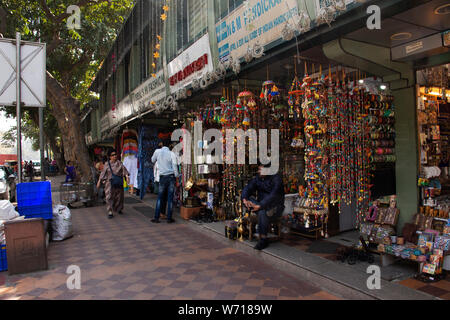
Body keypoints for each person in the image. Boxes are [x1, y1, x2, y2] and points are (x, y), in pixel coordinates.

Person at [242, 163, 285, 250]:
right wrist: (244, 199)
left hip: (275, 206)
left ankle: (263, 239)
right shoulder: (258, 178)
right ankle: (263, 238)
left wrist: (261, 205)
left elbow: (273, 195)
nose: (258, 171)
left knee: (262, 211)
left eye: (260, 170)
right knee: (251, 200)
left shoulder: (277, 179)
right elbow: (248, 188)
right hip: (260, 205)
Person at [151, 140, 179, 223]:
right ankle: (169, 218)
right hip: (171, 177)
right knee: (170, 198)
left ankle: (156, 218)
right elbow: (175, 168)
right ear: (170, 145)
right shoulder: (172, 154)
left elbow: (152, 160)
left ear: (161, 144)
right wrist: (177, 176)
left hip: (162, 177)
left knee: (159, 197)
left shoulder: (157, 152)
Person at [97, 151, 130, 219]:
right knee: (109, 196)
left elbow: (124, 170)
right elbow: (103, 173)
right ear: (110, 156)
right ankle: (110, 211)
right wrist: (99, 181)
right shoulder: (107, 164)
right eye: (113, 155)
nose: (115, 156)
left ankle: (119, 208)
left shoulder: (119, 163)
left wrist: (127, 177)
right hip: (109, 183)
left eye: (115, 154)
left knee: (119, 196)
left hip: (118, 182)